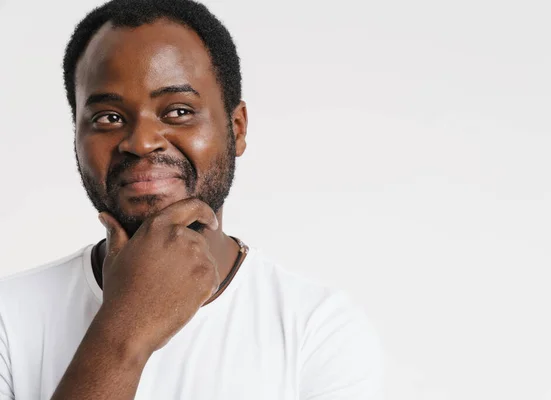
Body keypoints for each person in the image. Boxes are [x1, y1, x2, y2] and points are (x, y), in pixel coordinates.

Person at [0, 0, 385, 398]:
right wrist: (125, 329)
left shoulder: (317, 330)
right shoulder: (8, 318)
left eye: (178, 111)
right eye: (109, 118)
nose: (142, 141)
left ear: (236, 129)